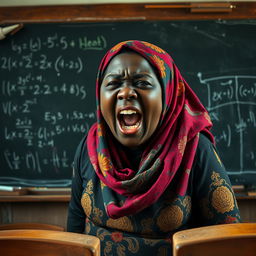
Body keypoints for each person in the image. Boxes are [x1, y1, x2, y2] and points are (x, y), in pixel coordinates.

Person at [67, 40, 241, 255]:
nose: (125, 93)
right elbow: (74, 225)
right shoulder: (90, 146)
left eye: (142, 83)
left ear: (168, 94)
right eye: (113, 84)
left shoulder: (195, 148)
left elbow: (228, 236)